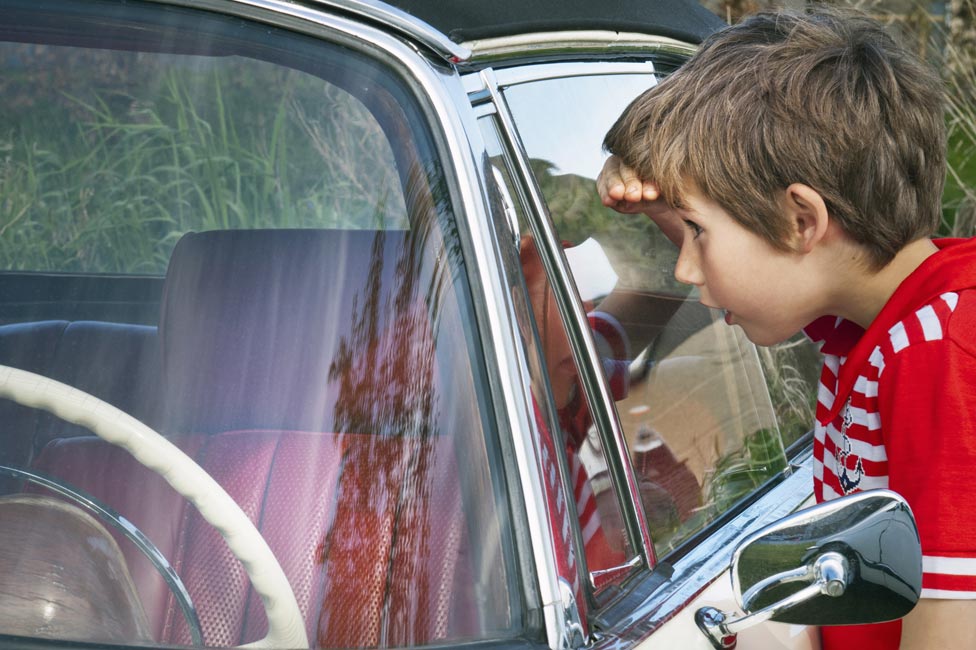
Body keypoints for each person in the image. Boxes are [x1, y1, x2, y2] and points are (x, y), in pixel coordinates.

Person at [595, 6, 976, 649]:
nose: (686, 269)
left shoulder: (940, 353)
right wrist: (668, 201)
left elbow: (951, 622)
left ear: (801, 220)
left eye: (696, 232)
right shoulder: (871, 318)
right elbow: (752, 265)